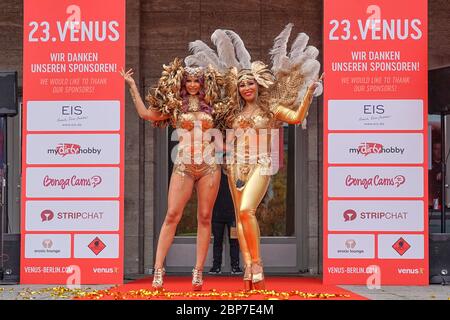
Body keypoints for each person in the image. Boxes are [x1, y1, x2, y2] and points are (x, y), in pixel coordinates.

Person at [185, 24, 322, 290]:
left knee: (248, 210)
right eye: (242, 84)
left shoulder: (270, 108)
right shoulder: (232, 114)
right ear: (237, 89)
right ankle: (248, 270)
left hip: (261, 164)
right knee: (239, 218)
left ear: (258, 85)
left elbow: (296, 117)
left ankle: (256, 263)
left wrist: (307, 93)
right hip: (235, 166)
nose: (246, 87)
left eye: (250, 83)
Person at [120, 59, 223, 291]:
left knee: (205, 217)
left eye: (197, 80)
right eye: (190, 81)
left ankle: (198, 271)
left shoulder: (213, 105)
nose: (194, 85)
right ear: (182, 82)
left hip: (209, 166)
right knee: (172, 216)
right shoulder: (174, 105)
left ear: (203, 83)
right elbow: (147, 114)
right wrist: (132, 86)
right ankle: (158, 268)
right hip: (184, 166)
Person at [209, 168, 242, 275]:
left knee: (234, 242)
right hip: (217, 215)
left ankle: (235, 267)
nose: (226, 162)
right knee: (217, 242)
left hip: (232, 216)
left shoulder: (235, 176)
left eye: (227, 160)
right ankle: (216, 267)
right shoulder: (215, 176)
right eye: (224, 160)